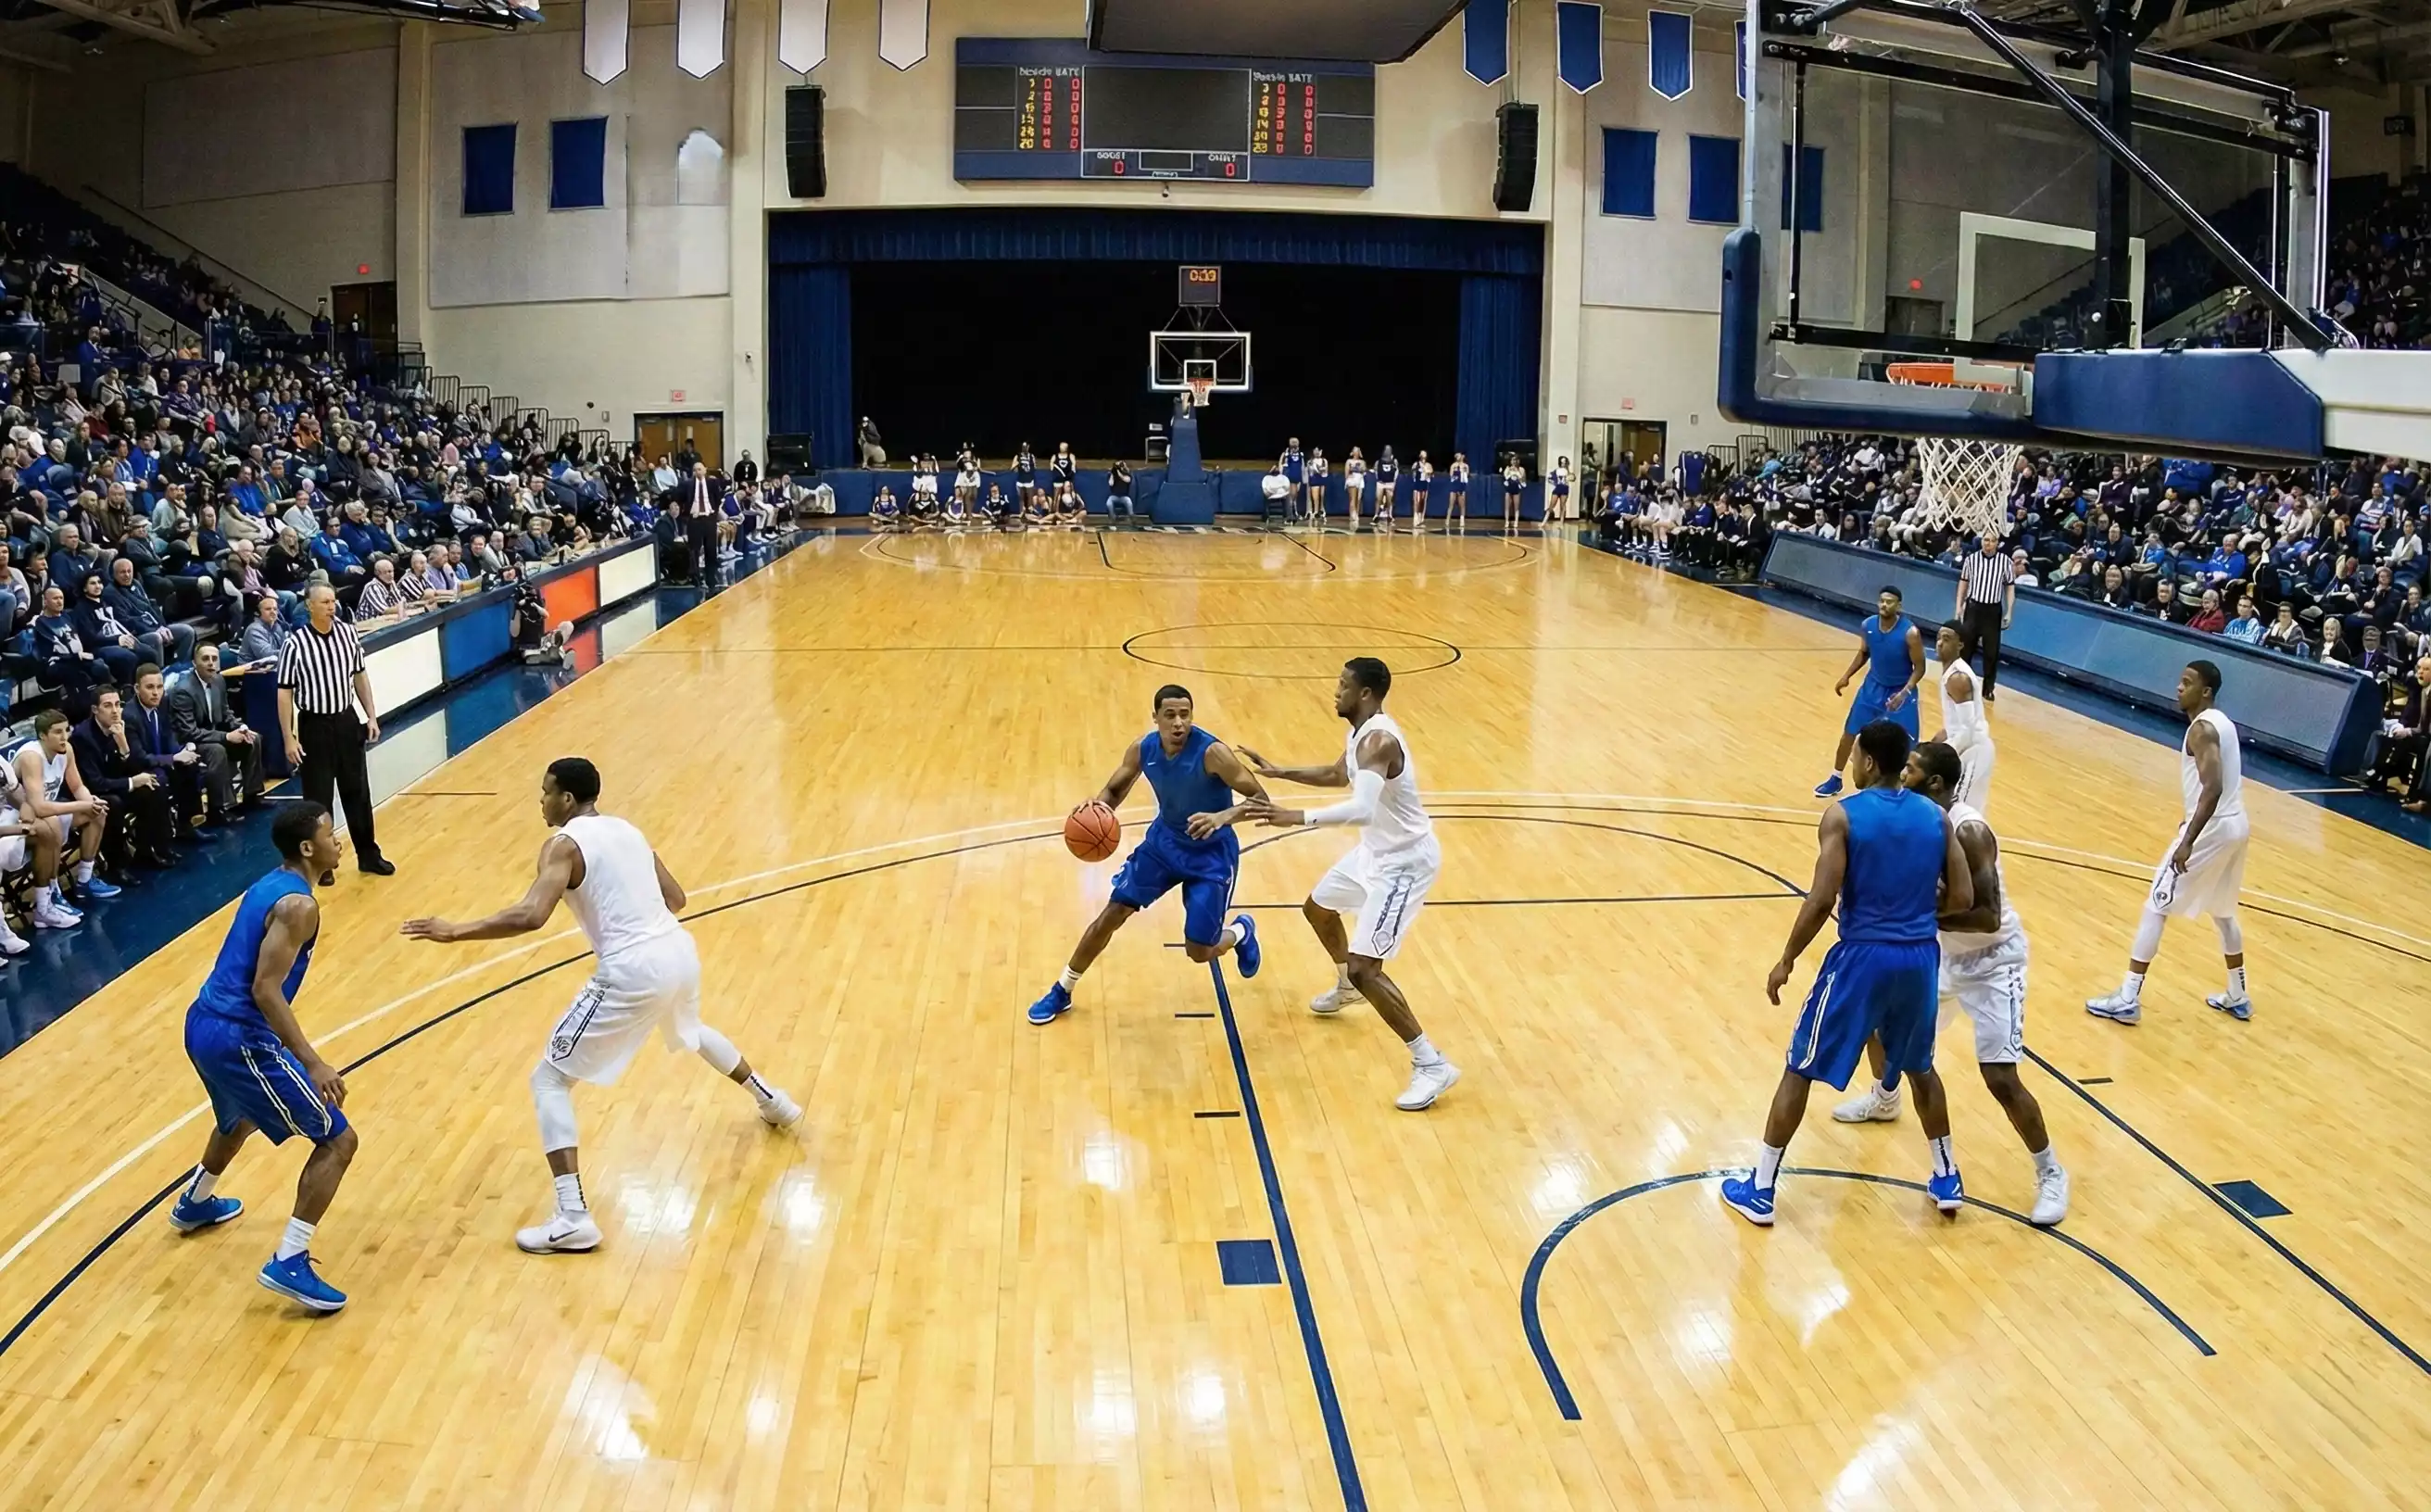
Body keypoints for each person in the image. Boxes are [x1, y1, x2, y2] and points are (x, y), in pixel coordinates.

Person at [400, 758, 801, 1254]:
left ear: (567, 799)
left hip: (631, 970)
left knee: (548, 1079)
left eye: (546, 792)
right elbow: (676, 899)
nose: (541, 801)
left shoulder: (562, 845)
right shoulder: (629, 830)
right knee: (692, 1030)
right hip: (678, 951)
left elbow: (531, 915)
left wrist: (455, 929)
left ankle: (572, 1216)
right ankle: (773, 1100)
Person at [1721, 721, 1972, 1227]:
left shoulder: (1843, 816)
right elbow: (1964, 898)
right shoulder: (1938, 818)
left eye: (1856, 756)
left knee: (1800, 1065)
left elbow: (1821, 899)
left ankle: (1762, 1187)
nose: (1853, 764)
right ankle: (1946, 1175)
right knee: (1919, 1066)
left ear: (1870, 763)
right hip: (1920, 959)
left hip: (1863, 959)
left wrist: (1787, 956)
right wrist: (1914, 918)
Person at [1833, 741, 2069, 1226]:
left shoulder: (1970, 830)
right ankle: (1885, 1099)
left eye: (1912, 770)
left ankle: (2050, 1172)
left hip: (1993, 961)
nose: (1903, 773)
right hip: (1942, 955)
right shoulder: (1920, 819)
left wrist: (1914, 908)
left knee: (2000, 1078)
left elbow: (1986, 916)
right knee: (1881, 1029)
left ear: (1935, 783)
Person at [1239, 659, 1459, 1111]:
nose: (1334, 691)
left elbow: (1361, 808)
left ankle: (1431, 1064)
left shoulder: (1379, 740)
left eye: (1342, 686)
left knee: (1367, 966)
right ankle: (1347, 987)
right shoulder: (1360, 732)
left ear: (1365, 694)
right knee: (1318, 908)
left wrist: (1295, 815)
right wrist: (1281, 773)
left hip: (1403, 864)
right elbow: (1339, 774)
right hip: (1374, 853)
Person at [167, 802, 359, 1313]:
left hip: (203, 1022)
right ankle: (290, 1260)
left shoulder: (270, 883)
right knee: (339, 1140)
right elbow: (267, 991)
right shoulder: (299, 906)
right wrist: (313, 1062)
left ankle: (196, 1201)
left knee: (242, 1116)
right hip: (238, 1037)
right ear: (306, 848)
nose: (337, 840)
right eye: (328, 833)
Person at [1026, 686, 1268, 1027]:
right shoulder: (1143, 749)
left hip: (1211, 856)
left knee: (1199, 952)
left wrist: (1221, 817)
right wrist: (1097, 809)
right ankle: (1062, 988)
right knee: (1112, 913)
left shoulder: (1214, 754)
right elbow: (1114, 789)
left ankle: (1242, 932)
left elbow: (1261, 798)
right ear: (1155, 718)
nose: (1179, 723)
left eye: (1185, 714)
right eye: (1170, 715)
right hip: (1164, 845)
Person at [2086, 661, 2252, 1024]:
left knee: (2156, 903)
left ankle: (2128, 997)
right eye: (2180, 681)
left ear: (2205, 692)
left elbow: (2213, 787)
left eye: (2188, 683)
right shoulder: (2223, 723)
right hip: (2236, 824)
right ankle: (2238, 993)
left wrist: (2188, 839)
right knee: (2223, 911)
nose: (2179, 688)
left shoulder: (2202, 730)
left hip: (2212, 829)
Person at [278, 584, 393, 880]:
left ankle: (368, 854)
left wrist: (371, 716)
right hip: (314, 724)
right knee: (318, 798)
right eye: (325, 602)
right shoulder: (295, 643)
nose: (332, 606)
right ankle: (322, 865)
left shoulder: (347, 633)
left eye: (334, 600)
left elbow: (360, 676)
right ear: (309, 606)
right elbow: (284, 694)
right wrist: (289, 737)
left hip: (346, 719)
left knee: (357, 791)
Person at [1816, 586, 1926, 798]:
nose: (1885, 605)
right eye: (1882, 601)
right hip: (1873, 687)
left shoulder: (1910, 633)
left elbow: (1920, 668)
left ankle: (1909, 789)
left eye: (1890, 602)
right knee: (1850, 732)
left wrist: (1904, 693)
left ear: (1899, 606)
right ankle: (1835, 778)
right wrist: (1846, 676)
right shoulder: (1868, 626)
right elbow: (1864, 653)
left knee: (1908, 743)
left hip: (1900, 691)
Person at [12, 709, 114, 924]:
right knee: (52, 824)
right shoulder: (32, 757)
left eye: (66, 730)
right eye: (57, 732)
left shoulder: (66, 749)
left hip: (45, 814)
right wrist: (82, 804)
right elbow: (38, 807)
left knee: (96, 813)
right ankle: (50, 896)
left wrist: (91, 802)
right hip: (16, 820)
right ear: (42, 736)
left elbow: (77, 786)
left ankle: (85, 882)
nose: (64, 736)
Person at [73, 684, 179, 866]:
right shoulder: (83, 737)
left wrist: (123, 746)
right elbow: (95, 782)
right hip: (94, 794)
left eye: (117, 704)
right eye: (108, 706)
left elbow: (134, 767)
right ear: (95, 710)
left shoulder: (121, 726)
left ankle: (149, 850)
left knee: (153, 787)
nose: (115, 711)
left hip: (117, 784)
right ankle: (117, 865)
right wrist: (132, 782)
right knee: (114, 803)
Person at [169, 642, 265, 823]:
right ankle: (218, 809)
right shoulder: (183, 690)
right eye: (205, 659)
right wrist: (226, 737)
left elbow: (225, 713)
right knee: (217, 750)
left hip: (213, 736)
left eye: (214, 659)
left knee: (254, 738)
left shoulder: (219, 680)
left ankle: (252, 796)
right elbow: (189, 732)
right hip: (190, 743)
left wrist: (240, 727)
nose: (211, 663)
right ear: (194, 663)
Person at [127, 663, 206, 834]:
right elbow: (138, 757)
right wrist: (173, 758)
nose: (156, 692)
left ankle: (187, 824)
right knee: (160, 780)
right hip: (141, 767)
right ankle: (161, 839)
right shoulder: (130, 715)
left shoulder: (164, 702)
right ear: (136, 688)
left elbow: (168, 733)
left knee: (191, 764)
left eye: (159, 687)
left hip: (160, 759)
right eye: (149, 687)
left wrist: (180, 752)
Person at [1928, 624, 1994, 813]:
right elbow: (1958, 725)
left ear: (1961, 645)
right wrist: (1938, 741)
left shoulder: (1958, 678)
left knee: (1960, 811)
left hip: (1973, 751)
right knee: (1953, 809)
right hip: (1966, 747)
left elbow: (1969, 728)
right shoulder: (1950, 672)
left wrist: (1946, 752)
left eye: (1947, 639)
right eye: (1939, 637)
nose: (1940, 643)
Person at [1953, 533, 2016, 702]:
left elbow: (2009, 587)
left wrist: (2009, 611)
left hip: (1993, 610)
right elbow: (1963, 583)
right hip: (1973, 608)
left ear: (1997, 543)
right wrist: (1958, 606)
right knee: (1966, 650)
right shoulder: (1971, 559)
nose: (1988, 544)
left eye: (1992, 541)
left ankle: (1988, 688)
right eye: (1986, 540)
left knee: (1991, 652)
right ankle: (1962, 685)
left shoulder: (2005, 562)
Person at [1105, 462, 1136, 527]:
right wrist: (1113, 474)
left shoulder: (1127, 474)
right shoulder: (1113, 475)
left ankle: (1131, 517)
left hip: (1124, 497)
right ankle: (1113, 517)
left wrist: (1119, 473)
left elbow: (1127, 480)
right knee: (1109, 503)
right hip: (1114, 496)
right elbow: (1111, 484)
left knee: (1129, 502)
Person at [1500, 455, 1526, 533]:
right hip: (1509, 489)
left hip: (1517, 489)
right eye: (1513, 460)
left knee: (1516, 506)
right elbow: (1505, 477)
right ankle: (1507, 521)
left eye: (1516, 460)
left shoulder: (1521, 469)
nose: (1514, 462)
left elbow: (1523, 479)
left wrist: (1517, 472)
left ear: (1518, 461)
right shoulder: (1508, 468)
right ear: (1510, 461)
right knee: (1507, 506)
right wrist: (1510, 472)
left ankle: (1516, 521)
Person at [1445, 452, 1469, 533]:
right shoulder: (1453, 465)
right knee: (1451, 503)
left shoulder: (1466, 466)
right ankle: (1447, 520)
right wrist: (1456, 472)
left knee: (1462, 504)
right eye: (1458, 456)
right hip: (1454, 485)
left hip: (1462, 485)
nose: (1460, 457)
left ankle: (1462, 520)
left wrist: (1463, 472)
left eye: (1460, 455)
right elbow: (1451, 476)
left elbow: (1467, 475)